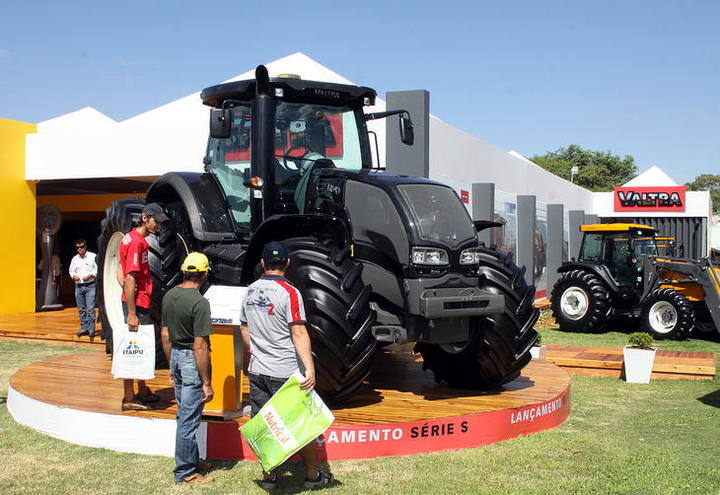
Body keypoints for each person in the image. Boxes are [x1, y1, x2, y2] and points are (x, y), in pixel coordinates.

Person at [240, 241, 334, 490]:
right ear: (288, 263)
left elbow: (243, 326)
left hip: (258, 369)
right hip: (286, 372)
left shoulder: (250, 291)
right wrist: (310, 369)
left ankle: (269, 476)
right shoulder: (289, 292)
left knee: (263, 422)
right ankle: (312, 475)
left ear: (262, 263)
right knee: (303, 425)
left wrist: (252, 352)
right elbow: (299, 332)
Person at [160, 252, 215, 485]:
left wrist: (172, 366)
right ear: (204, 274)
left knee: (185, 414)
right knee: (188, 419)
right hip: (192, 362)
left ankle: (192, 460)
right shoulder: (200, 303)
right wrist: (207, 382)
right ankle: (185, 472)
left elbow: (164, 335)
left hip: (176, 358)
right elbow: (200, 346)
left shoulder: (170, 295)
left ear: (184, 271)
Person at [117, 202, 168, 411]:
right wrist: (132, 313)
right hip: (138, 305)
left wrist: (127, 287)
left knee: (139, 347)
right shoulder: (137, 243)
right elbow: (130, 277)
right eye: (156, 221)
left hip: (136, 301)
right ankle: (129, 397)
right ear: (145, 218)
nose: (158, 225)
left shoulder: (128, 238)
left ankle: (142, 388)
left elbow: (120, 270)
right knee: (134, 348)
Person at [68, 239, 97, 338]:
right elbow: (71, 271)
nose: (79, 249)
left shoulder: (93, 256)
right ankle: (84, 328)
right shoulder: (74, 259)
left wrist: (91, 275)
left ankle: (91, 329)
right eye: (77, 247)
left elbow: (97, 269)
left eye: (81, 247)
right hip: (79, 286)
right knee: (81, 309)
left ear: (85, 247)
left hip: (90, 285)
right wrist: (73, 276)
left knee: (90, 308)